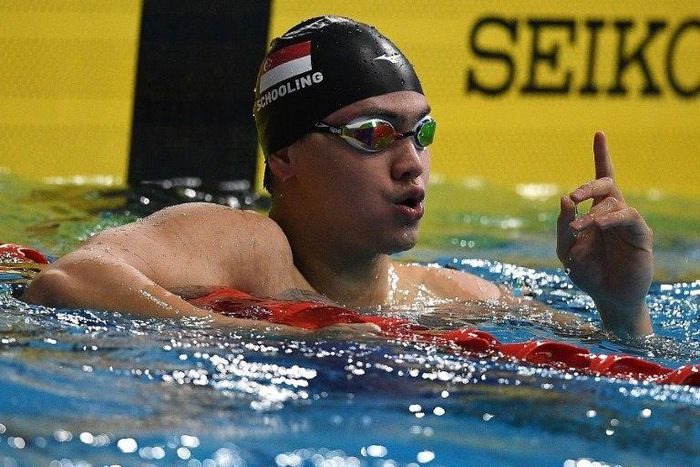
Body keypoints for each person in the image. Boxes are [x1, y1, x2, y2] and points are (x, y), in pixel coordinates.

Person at [25, 16, 653, 338]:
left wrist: (622, 307)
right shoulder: (242, 246)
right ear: (284, 159)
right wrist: (255, 336)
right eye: (372, 135)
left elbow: (625, 360)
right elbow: (68, 278)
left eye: (421, 131)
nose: (411, 161)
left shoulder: (453, 296)